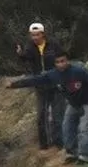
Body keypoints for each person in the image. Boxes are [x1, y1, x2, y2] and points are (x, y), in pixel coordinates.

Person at [7, 50, 88, 163]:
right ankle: (71, 152)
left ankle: (84, 156)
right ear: (55, 63)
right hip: (73, 103)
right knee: (67, 126)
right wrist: (14, 84)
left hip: (87, 101)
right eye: (58, 62)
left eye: (63, 61)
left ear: (67, 61)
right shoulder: (53, 75)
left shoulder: (79, 71)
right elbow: (35, 80)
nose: (61, 64)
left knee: (84, 128)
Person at [16, 22, 64, 150]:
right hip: (40, 84)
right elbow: (26, 57)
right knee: (41, 115)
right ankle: (44, 144)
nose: (35, 38)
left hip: (55, 82)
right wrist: (20, 54)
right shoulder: (30, 47)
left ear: (43, 34)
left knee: (57, 114)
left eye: (37, 35)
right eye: (32, 35)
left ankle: (59, 142)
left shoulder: (53, 45)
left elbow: (62, 59)